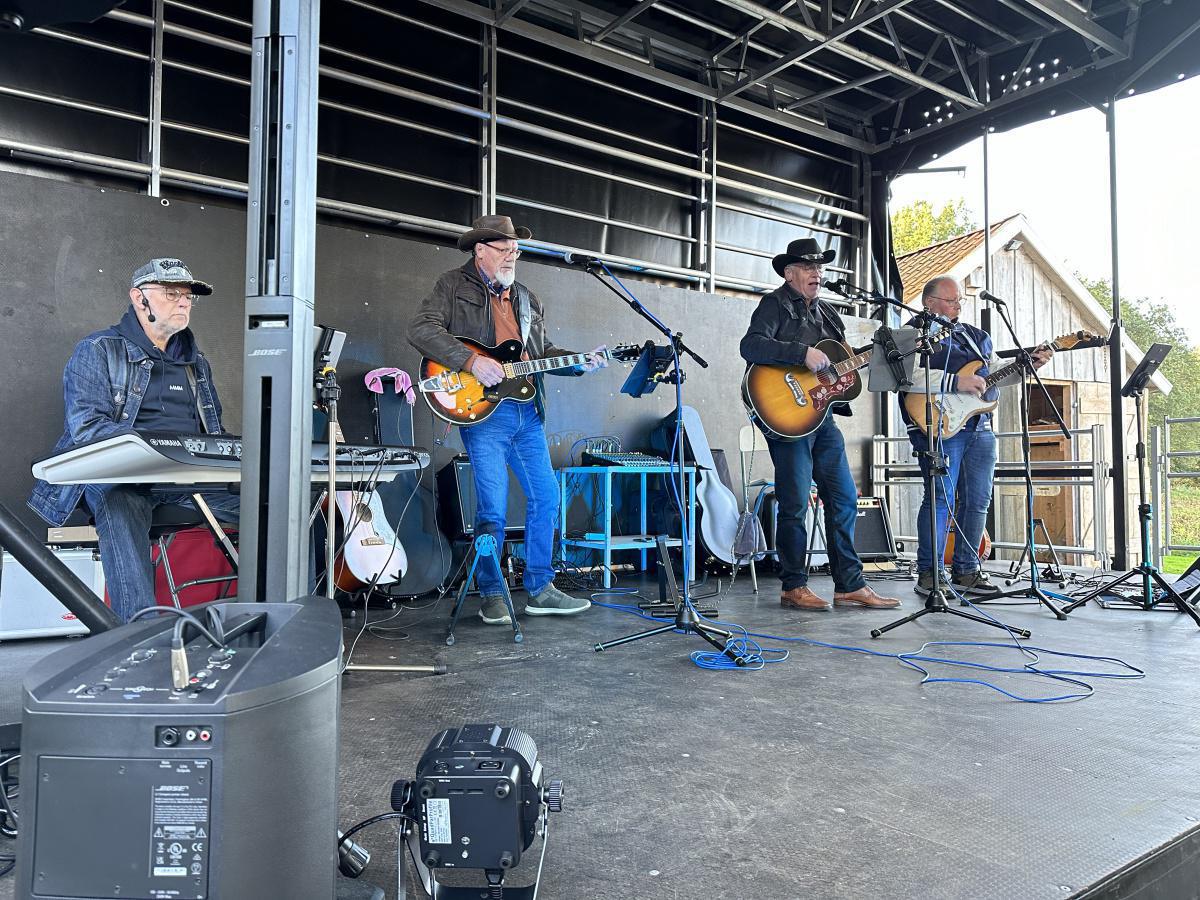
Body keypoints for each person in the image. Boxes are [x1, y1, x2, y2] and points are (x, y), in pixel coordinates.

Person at [408, 215, 607, 625]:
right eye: (504, 249)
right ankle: (492, 592)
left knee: (547, 497)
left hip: (527, 412)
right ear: (480, 250)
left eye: (515, 250)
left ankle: (539, 587)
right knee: (493, 508)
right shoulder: (452, 285)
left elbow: (542, 351)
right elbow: (421, 329)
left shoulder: (527, 298)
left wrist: (579, 364)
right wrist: (471, 361)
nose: (512, 256)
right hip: (483, 414)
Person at [29, 258, 240, 622]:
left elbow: (213, 434)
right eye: (171, 293)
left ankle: (283, 609)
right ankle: (136, 631)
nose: (183, 302)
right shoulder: (98, 350)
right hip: (125, 480)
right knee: (117, 497)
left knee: (276, 501)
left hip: (185, 484)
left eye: (188, 296)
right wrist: (156, 449)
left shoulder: (196, 364)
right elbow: (87, 430)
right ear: (139, 299)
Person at [740, 238, 899, 612]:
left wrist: (849, 376)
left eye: (820, 268)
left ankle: (849, 585)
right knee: (794, 502)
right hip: (788, 419)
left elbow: (840, 369)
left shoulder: (828, 314)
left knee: (843, 499)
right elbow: (751, 346)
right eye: (809, 268)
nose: (817, 273)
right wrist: (801, 353)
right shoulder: (773, 304)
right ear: (789, 272)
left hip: (822, 417)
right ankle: (793, 586)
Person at [902, 275, 1052, 597]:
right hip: (940, 424)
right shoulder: (911, 334)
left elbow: (993, 376)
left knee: (979, 500)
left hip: (980, 426)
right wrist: (955, 381)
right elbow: (904, 378)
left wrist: (1027, 367)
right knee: (940, 499)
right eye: (951, 300)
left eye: (960, 301)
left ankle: (967, 570)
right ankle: (930, 572)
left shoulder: (975, 336)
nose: (958, 305)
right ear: (930, 303)